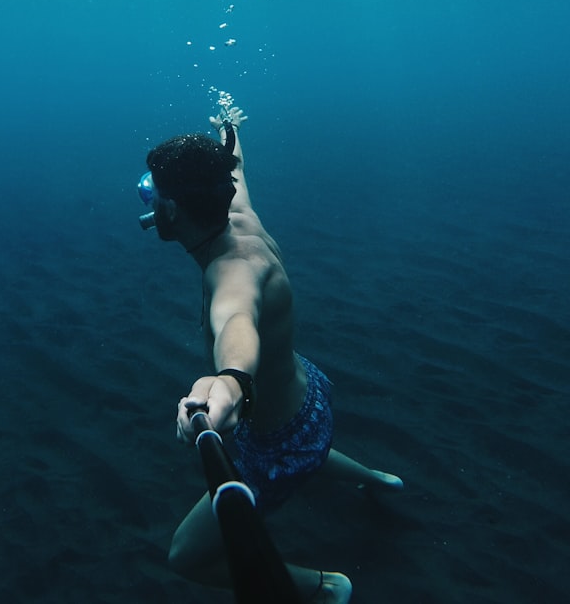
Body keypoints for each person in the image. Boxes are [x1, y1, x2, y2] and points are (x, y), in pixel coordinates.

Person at [138, 96, 403, 604]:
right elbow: (233, 165)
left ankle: (324, 586)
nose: (148, 203)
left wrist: (229, 384)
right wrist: (228, 130)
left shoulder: (229, 275)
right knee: (308, 442)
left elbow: (236, 325)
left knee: (184, 555)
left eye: (151, 194)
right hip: (311, 399)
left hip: (281, 443)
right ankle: (375, 478)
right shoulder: (237, 211)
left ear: (170, 210)